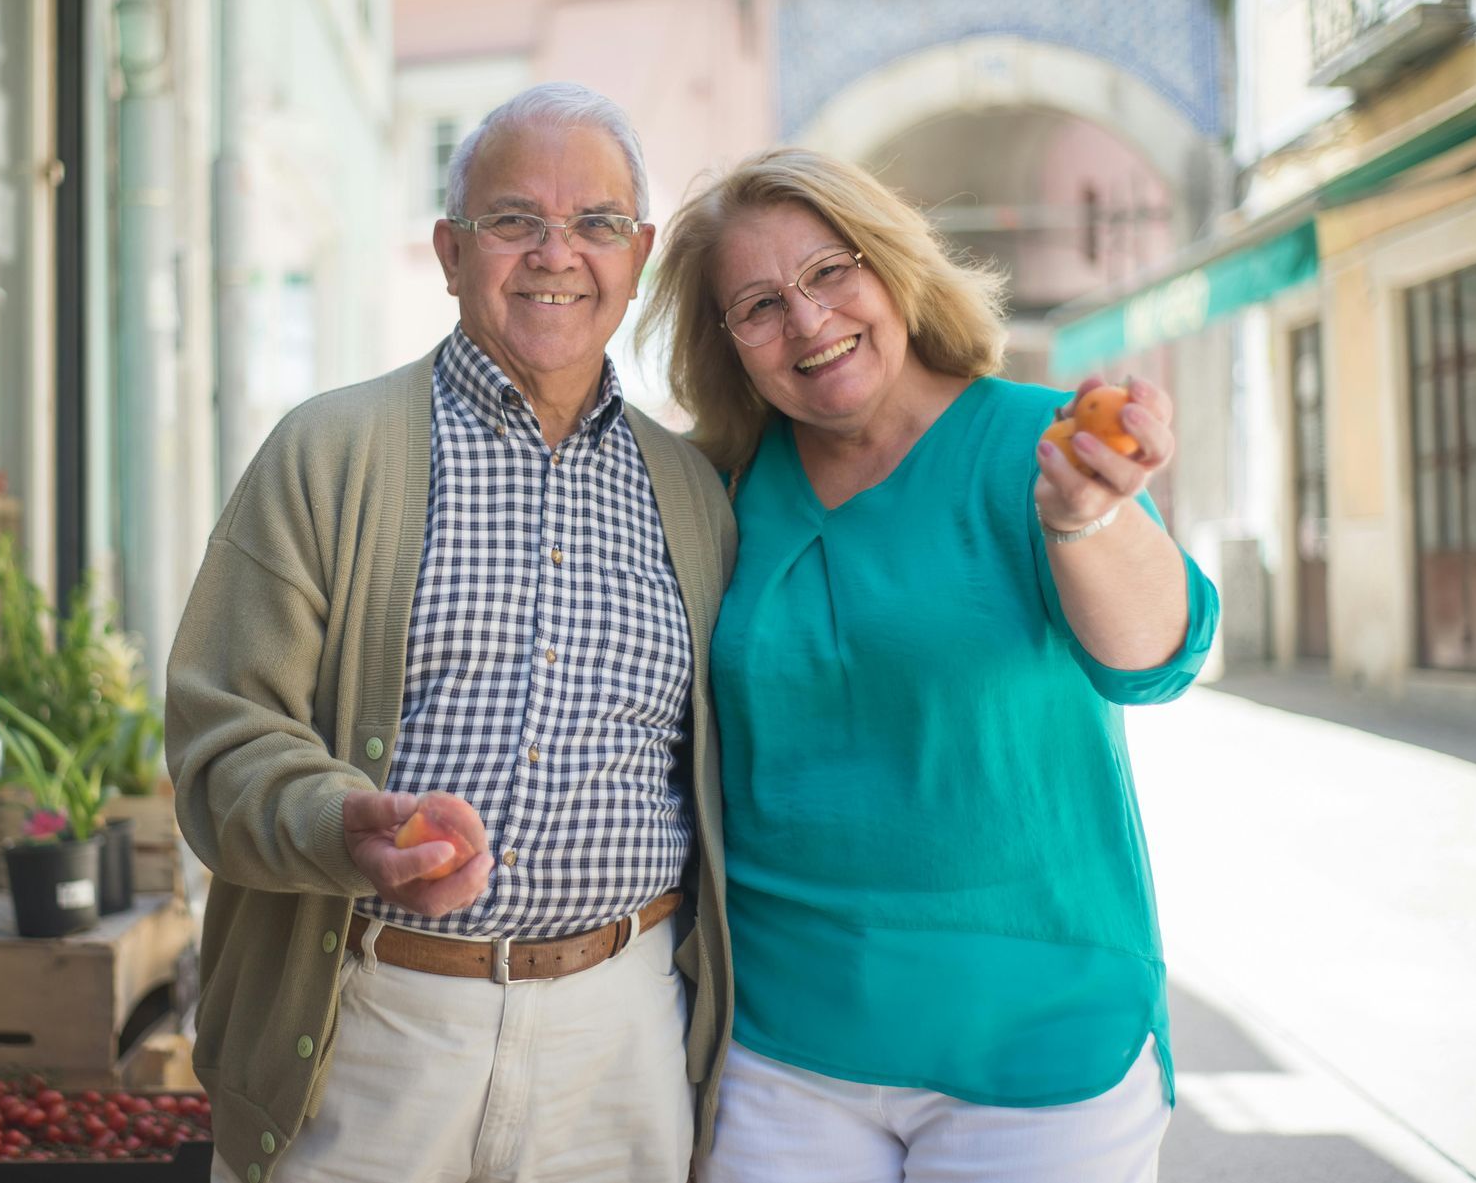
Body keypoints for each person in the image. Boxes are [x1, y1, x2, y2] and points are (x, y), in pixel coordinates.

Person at [166, 82, 736, 1183]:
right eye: (514, 220)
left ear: (641, 254)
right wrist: (344, 826)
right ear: (449, 250)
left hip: (622, 1036)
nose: (555, 253)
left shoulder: (697, 493)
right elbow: (219, 737)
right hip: (375, 1019)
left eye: (597, 224)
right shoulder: (329, 452)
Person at [635, 147, 1218, 1183]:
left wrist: (1090, 520)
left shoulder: (1033, 445)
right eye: (760, 305)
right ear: (728, 346)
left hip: (1039, 1046)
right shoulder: (717, 492)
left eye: (829, 271)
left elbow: (1157, 659)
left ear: (893, 265)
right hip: (785, 1050)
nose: (808, 322)